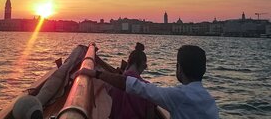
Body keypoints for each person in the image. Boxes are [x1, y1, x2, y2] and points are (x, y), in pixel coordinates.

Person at [77, 45, 219, 119]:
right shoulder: (211, 102)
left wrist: (95, 73)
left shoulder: (179, 96)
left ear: (179, 68)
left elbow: (134, 86)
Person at [108, 42, 156, 119]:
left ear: (129, 62)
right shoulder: (146, 89)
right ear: (143, 64)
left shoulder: (114, 85)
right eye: (145, 66)